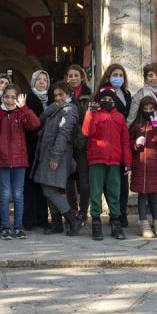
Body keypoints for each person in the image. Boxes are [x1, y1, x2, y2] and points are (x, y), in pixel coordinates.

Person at [0, 84, 41, 240]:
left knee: (18, 194)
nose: (10, 100)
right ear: (2, 97)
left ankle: (17, 227)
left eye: (13, 97)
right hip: (2, 159)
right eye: (7, 97)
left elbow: (35, 124)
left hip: (19, 160)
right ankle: (4, 227)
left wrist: (24, 108)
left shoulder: (20, 114)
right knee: (4, 194)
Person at [32, 81, 82, 236]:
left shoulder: (70, 110)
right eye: (55, 95)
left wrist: (56, 156)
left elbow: (64, 134)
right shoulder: (57, 109)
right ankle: (57, 223)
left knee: (49, 189)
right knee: (49, 188)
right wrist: (52, 107)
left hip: (58, 154)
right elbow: (39, 121)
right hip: (48, 153)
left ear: (69, 94)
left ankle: (73, 219)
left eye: (62, 94)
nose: (58, 98)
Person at [83, 84, 132, 241]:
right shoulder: (93, 114)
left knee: (114, 192)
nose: (106, 101)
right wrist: (90, 113)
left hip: (115, 161)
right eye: (103, 99)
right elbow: (86, 132)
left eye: (109, 99)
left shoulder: (119, 117)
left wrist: (127, 161)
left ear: (114, 100)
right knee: (95, 191)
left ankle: (115, 221)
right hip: (97, 159)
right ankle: (96, 221)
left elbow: (125, 141)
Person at [97, 64, 132, 227]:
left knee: (122, 182)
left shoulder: (127, 94)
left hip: (122, 139)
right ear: (108, 76)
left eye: (121, 74)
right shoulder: (103, 94)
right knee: (108, 181)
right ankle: (113, 212)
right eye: (114, 74)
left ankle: (122, 212)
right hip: (106, 142)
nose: (118, 77)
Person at [129, 96, 157, 239]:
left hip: (156, 167)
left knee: (156, 197)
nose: (148, 111)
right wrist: (135, 144)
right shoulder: (136, 126)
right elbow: (128, 143)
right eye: (145, 109)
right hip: (141, 166)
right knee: (142, 196)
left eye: (151, 109)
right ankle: (143, 224)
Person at [64, 64, 92, 225]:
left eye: (76, 75)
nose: (73, 78)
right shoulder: (63, 95)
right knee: (68, 179)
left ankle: (83, 211)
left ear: (81, 77)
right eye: (70, 76)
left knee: (83, 179)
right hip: (67, 143)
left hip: (83, 143)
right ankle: (71, 209)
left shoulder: (89, 96)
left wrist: (82, 138)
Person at [24, 69, 51, 231]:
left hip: (46, 148)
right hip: (31, 146)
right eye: (38, 79)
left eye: (45, 79)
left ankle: (42, 218)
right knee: (29, 183)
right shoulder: (28, 98)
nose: (42, 82)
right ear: (33, 82)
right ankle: (29, 219)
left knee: (43, 184)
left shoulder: (52, 99)